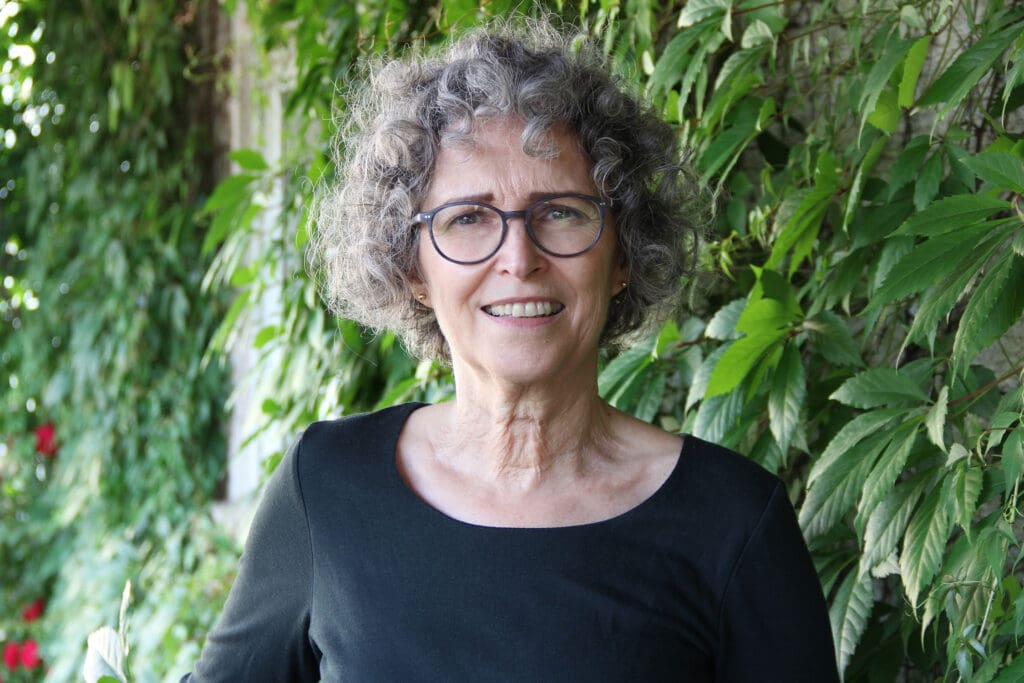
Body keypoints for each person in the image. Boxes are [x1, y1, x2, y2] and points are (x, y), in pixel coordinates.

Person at [183, 18, 839, 682]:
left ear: (623, 255)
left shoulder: (732, 522)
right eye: (468, 218)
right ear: (412, 269)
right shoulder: (326, 488)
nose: (519, 259)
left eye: (561, 212)